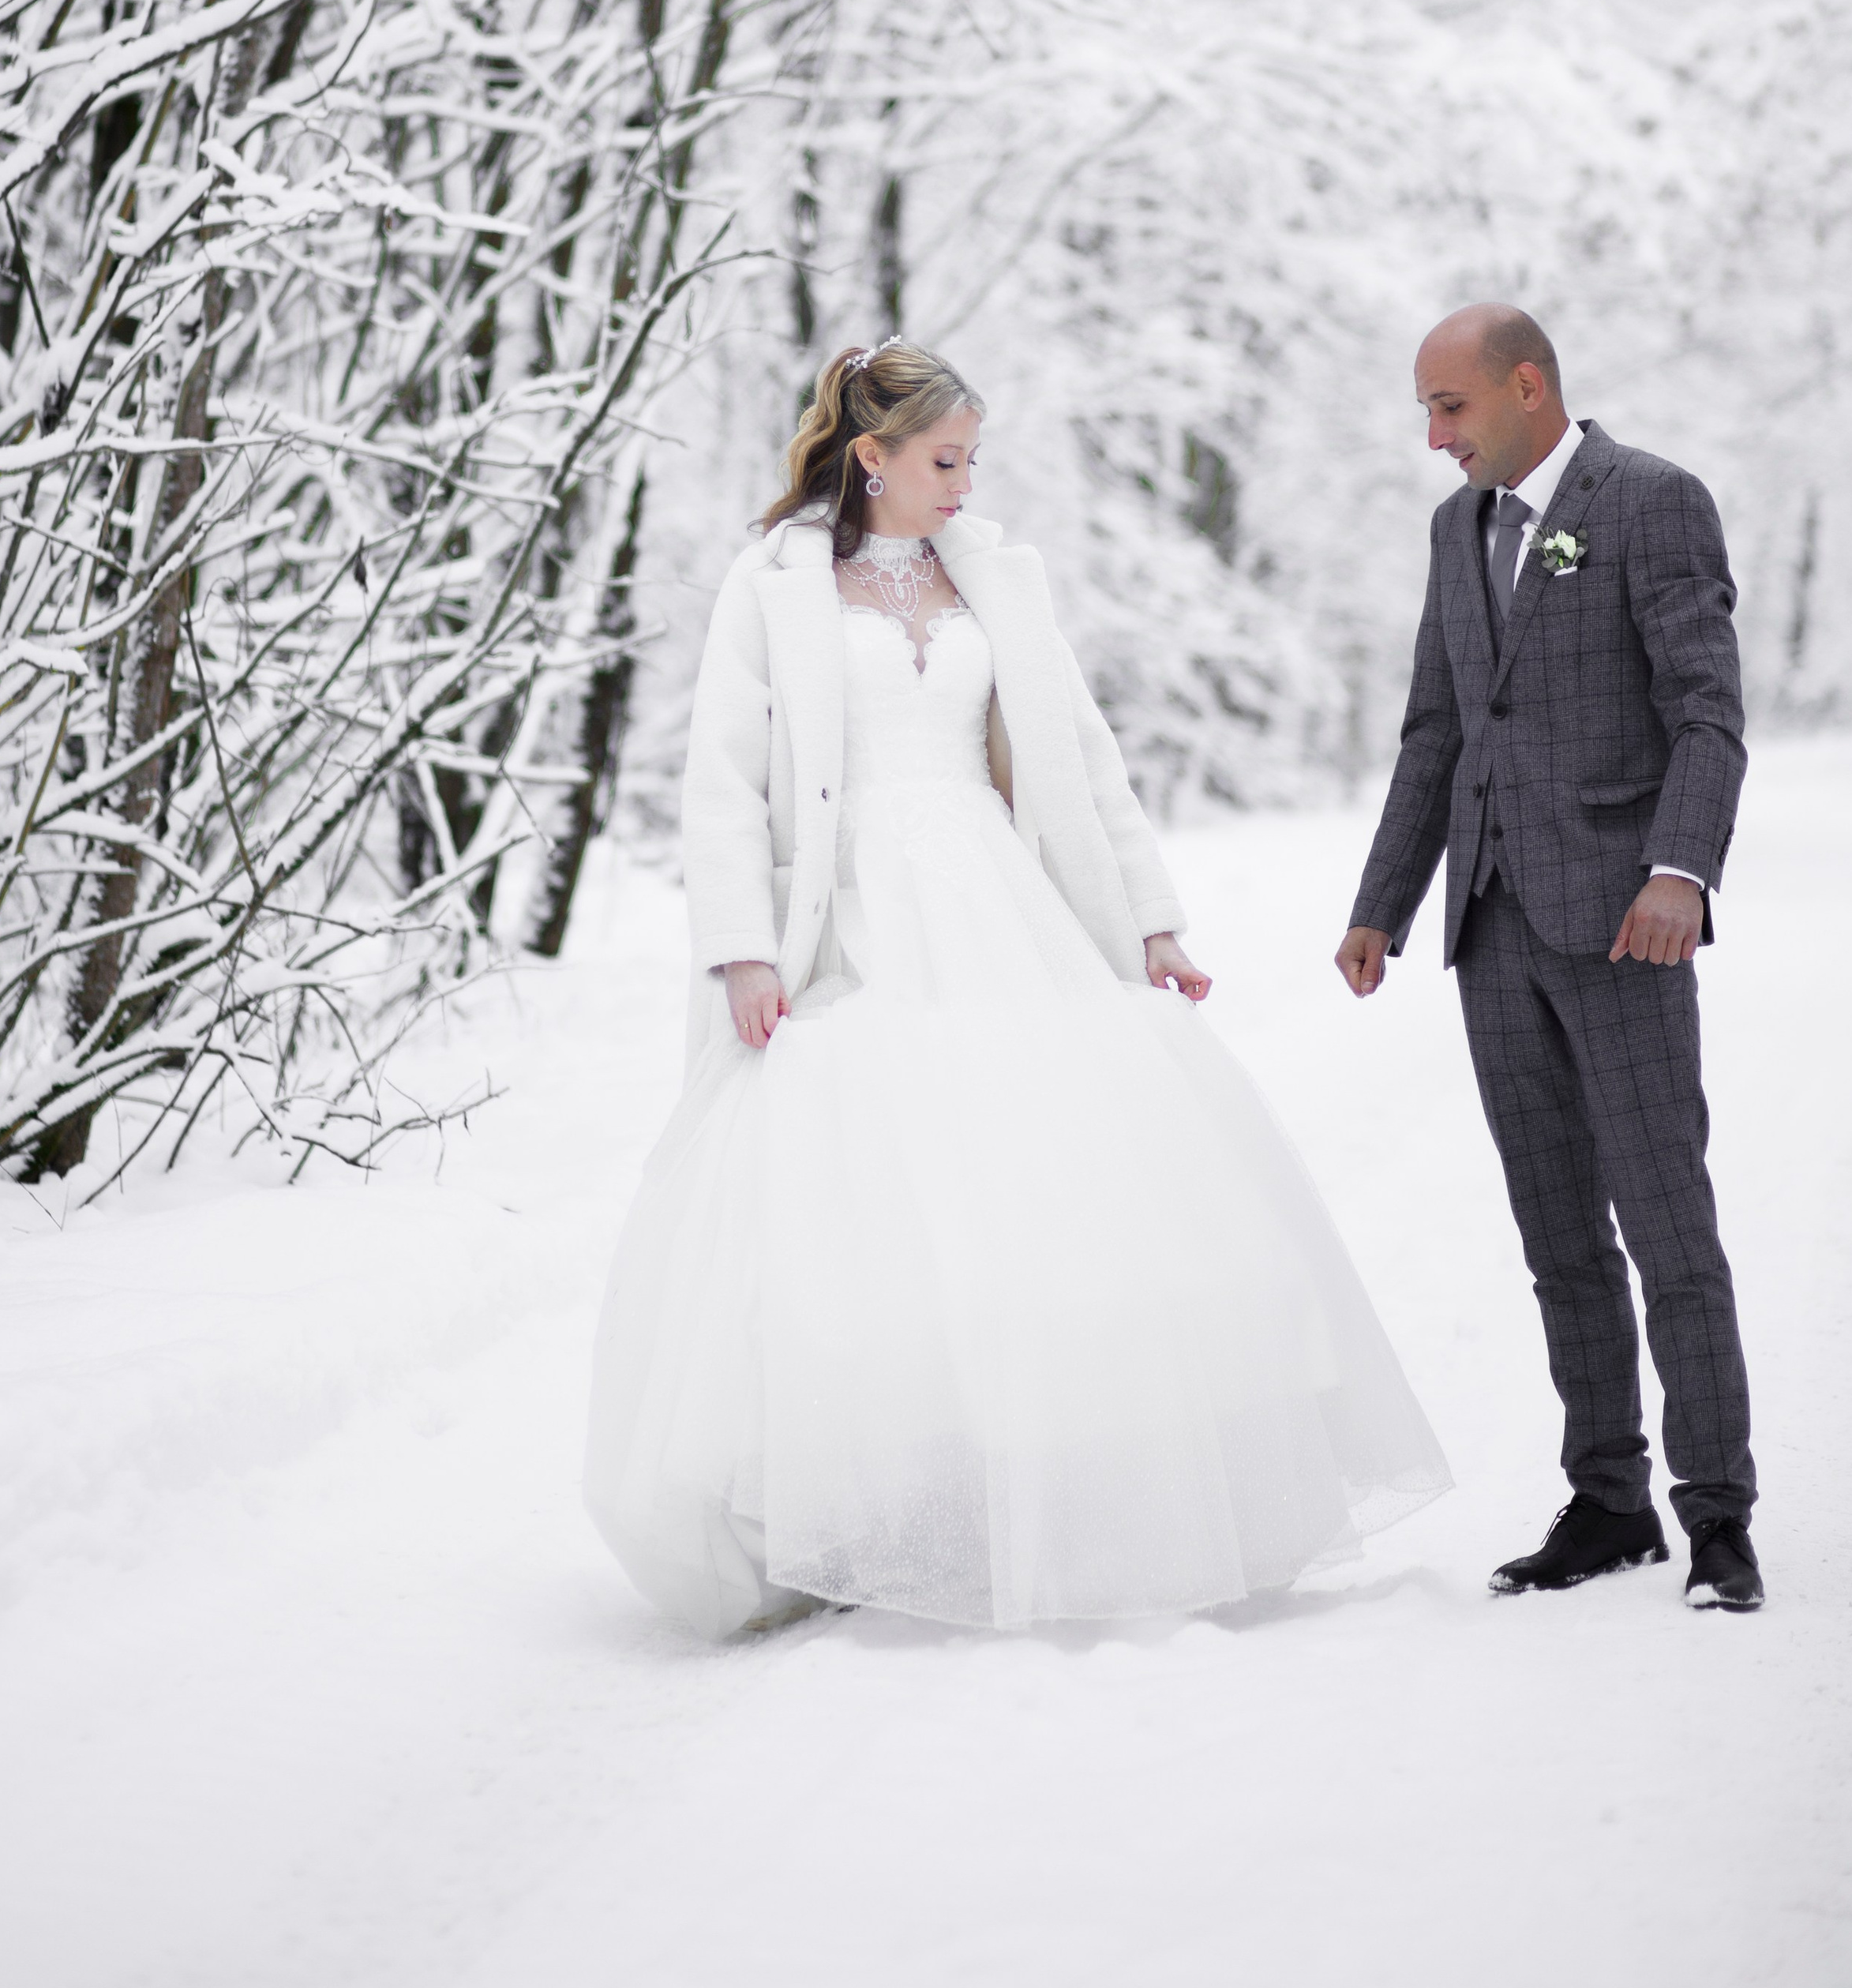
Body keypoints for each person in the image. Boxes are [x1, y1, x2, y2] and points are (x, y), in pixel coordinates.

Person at [587, 339, 1449, 1637]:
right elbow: (720, 775)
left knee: (1039, 1183)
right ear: (869, 456)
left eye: (973, 459)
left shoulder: (998, 574)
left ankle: (1026, 1492)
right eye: (944, 459)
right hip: (855, 914)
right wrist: (744, 946)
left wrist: (1152, 919)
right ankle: (849, 1512)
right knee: (863, 1200)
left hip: (1002, 896)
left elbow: (1081, 754)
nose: (964, 482)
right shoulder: (773, 584)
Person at [1337, 305, 1761, 1612]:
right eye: (1423, 408)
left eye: (1450, 407)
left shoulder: (1652, 501)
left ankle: (1719, 1515)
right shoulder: (1453, 531)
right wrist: (1385, 904)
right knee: (1559, 1237)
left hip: (1628, 923)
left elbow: (1706, 710)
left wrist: (1678, 873)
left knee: (1667, 1226)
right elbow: (1435, 729)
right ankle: (1611, 1498)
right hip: (1495, 928)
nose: (1432, 436)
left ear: (1528, 386)